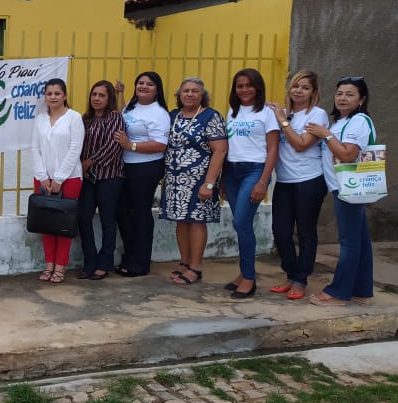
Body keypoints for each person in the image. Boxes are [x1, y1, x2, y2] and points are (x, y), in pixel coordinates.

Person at [304, 77, 376, 307]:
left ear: (361, 99)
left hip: (349, 188)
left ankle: (339, 293)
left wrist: (325, 134)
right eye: (339, 93)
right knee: (360, 242)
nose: (343, 98)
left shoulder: (359, 122)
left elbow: (347, 155)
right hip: (341, 187)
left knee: (349, 243)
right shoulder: (341, 122)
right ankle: (361, 291)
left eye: (350, 94)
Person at [265, 70, 329, 300]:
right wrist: (280, 117)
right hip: (284, 180)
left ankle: (301, 279)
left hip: (309, 180)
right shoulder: (287, 115)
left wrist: (282, 119)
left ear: (313, 92)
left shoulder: (317, 115)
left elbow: (301, 145)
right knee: (280, 232)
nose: (298, 91)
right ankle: (291, 274)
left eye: (305, 87)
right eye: (295, 86)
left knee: (305, 232)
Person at [160, 77, 228, 285]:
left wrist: (209, 183)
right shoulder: (173, 115)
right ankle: (185, 262)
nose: (189, 94)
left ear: (202, 95)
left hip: (200, 179)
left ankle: (196, 267)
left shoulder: (210, 116)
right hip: (175, 180)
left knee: (197, 220)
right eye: (186, 91)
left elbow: (220, 150)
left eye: (195, 91)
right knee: (181, 220)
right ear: (179, 95)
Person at [223, 68, 280, 299]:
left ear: (257, 87)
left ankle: (249, 278)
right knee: (241, 225)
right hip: (232, 171)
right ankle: (244, 272)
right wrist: (222, 180)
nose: (244, 90)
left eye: (248, 85)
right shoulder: (232, 112)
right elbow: (228, 146)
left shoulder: (267, 113)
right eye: (239, 85)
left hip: (254, 171)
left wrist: (263, 182)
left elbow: (273, 148)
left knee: (241, 221)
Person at [113, 72, 170, 277]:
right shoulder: (132, 104)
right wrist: (120, 94)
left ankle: (140, 262)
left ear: (157, 90)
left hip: (146, 167)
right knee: (122, 211)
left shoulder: (159, 113)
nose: (144, 86)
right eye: (140, 83)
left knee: (140, 213)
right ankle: (130, 256)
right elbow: (122, 119)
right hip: (125, 165)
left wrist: (131, 145)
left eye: (149, 84)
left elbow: (160, 144)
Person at [31, 78, 85, 284]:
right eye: (49, 93)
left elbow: (75, 149)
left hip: (69, 179)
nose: (53, 97)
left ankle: (60, 267)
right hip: (43, 180)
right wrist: (43, 177)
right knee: (46, 223)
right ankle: (49, 265)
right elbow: (35, 149)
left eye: (57, 93)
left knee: (63, 224)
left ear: (64, 95)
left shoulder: (74, 118)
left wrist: (60, 178)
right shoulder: (40, 120)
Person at [77, 80, 126, 280]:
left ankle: (105, 262)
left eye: (102, 95)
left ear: (109, 98)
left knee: (107, 219)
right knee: (83, 217)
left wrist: (90, 162)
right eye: (94, 94)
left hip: (109, 176)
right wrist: (81, 165)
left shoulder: (115, 117)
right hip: (87, 178)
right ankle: (89, 260)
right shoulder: (85, 118)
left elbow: (113, 146)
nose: (96, 98)